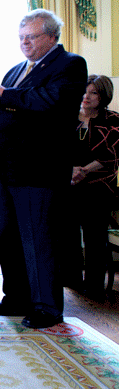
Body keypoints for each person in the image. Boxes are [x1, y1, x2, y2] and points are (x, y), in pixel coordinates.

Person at [0, 9, 86, 329]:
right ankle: (16, 298)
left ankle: (47, 307)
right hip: (4, 168)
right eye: (21, 37)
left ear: (52, 37)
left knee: (38, 240)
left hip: (38, 169)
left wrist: (5, 95)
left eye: (32, 37)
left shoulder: (69, 64)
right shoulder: (15, 70)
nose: (25, 42)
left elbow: (50, 101)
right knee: (9, 237)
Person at [66, 75, 119, 301]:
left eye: (93, 93)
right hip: (69, 184)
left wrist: (84, 170)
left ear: (103, 95)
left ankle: (94, 285)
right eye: (85, 91)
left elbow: (112, 155)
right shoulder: (68, 118)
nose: (86, 96)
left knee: (95, 237)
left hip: (99, 187)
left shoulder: (114, 120)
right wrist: (70, 170)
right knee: (68, 234)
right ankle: (72, 279)